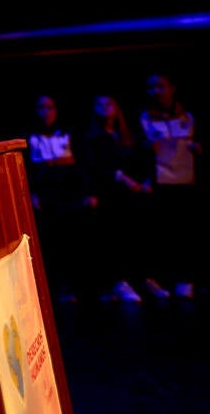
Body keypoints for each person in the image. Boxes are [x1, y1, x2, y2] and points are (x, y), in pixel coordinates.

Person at [77, 94, 149, 303]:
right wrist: (117, 178)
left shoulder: (124, 135)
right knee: (113, 238)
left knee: (134, 237)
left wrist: (141, 181)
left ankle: (141, 278)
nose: (105, 107)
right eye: (99, 104)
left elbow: (137, 160)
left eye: (109, 103)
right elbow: (92, 167)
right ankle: (118, 283)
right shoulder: (92, 137)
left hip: (130, 195)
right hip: (108, 194)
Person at [137, 72, 201, 300]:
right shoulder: (145, 117)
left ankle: (186, 279)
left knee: (186, 232)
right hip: (161, 182)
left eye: (161, 86)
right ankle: (164, 280)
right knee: (164, 233)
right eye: (152, 87)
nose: (156, 91)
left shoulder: (188, 116)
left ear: (172, 88)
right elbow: (139, 151)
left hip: (187, 181)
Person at [25, 94, 93, 303]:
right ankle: (56, 290)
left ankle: (78, 288)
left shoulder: (68, 134)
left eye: (50, 107)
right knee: (51, 245)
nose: (46, 112)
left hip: (69, 197)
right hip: (46, 199)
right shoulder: (31, 137)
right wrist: (33, 194)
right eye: (42, 108)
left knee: (73, 243)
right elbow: (29, 168)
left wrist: (86, 192)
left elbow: (81, 164)